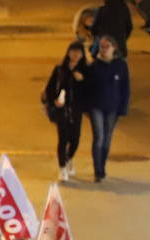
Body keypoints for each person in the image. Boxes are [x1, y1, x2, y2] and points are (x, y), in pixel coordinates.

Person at [43, 42, 90, 180]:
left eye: (78, 52)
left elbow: (91, 90)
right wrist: (54, 101)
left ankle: (69, 158)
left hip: (76, 109)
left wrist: (82, 80)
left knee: (75, 139)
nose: (75, 55)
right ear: (68, 53)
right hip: (61, 109)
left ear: (82, 55)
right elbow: (50, 88)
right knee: (63, 138)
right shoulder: (60, 69)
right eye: (73, 51)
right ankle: (62, 167)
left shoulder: (85, 70)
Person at [86, 34, 129, 182]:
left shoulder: (121, 66)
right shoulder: (94, 66)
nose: (103, 50)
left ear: (114, 48)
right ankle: (98, 170)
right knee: (99, 137)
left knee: (107, 139)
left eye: (106, 47)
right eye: (101, 47)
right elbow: (87, 87)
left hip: (112, 107)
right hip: (96, 106)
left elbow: (125, 88)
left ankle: (102, 166)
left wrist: (123, 108)